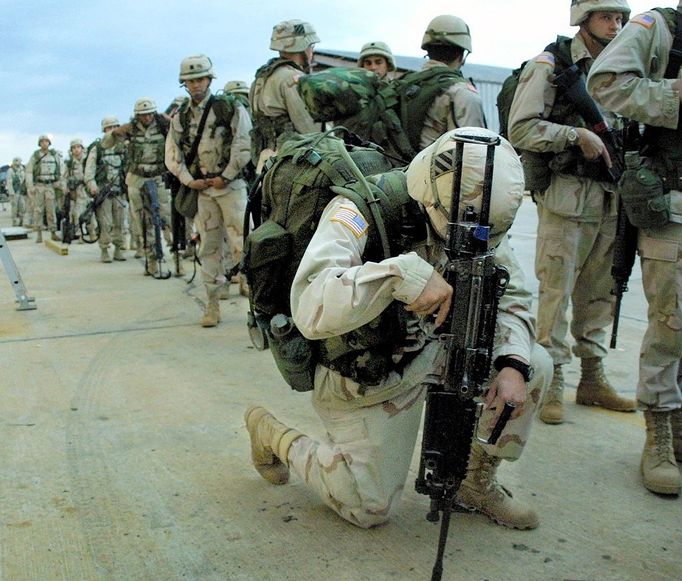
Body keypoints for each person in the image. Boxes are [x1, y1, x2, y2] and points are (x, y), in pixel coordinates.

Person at [244, 127, 552, 530]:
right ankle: (270, 433)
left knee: (534, 365)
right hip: (371, 367)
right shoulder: (357, 210)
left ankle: (474, 482)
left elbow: (512, 296)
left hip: (438, 347)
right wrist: (396, 277)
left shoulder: (482, 214)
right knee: (367, 506)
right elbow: (310, 306)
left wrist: (512, 363)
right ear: (429, 195)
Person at [508, 0, 636, 424]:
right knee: (556, 291)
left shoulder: (624, 65)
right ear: (583, 19)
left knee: (601, 292)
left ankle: (592, 376)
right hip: (567, 196)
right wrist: (574, 134)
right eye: (606, 17)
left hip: (611, 197)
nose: (615, 26)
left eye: (620, 18)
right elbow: (521, 126)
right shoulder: (550, 64)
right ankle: (552, 376)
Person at [587, 2, 682, 496]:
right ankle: (661, 426)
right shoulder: (664, 26)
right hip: (674, 198)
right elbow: (607, 81)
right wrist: (676, 96)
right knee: (672, 321)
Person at [166, 54, 252, 325]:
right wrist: (189, 180)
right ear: (184, 84)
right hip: (203, 192)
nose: (195, 85)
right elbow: (172, 152)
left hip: (231, 187)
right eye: (190, 81)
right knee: (209, 249)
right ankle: (212, 305)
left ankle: (258, 306)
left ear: (210, 79)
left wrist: (226, 175)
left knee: (243, 245)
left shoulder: (229, 107)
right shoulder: (180, 117)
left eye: (200, 79)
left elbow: (244, 143)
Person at [102, 97, 173, 274]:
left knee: (165, 215)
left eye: (150, 114)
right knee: (143, 219)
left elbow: (183, 136)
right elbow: (105, 143)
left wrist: (172, 121)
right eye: (143, 115)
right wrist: (115, 132)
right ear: (137, 115)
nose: (147, 118)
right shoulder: (131, 129)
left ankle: (174, 251)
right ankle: (151, 258)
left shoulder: (164, 125)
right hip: (137, 178)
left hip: (159, 176)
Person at [250, 19, 320, 172]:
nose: (311, 51)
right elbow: (311, 131)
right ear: (303, 47)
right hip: (292, 165)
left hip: (265, 165)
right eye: (311, 46)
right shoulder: (292, 78)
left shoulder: (261, 78)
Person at [417, 15, 486, 149]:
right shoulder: (462, 93)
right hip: (435, 169)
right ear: (461, 55)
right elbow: (474, 153)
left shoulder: (403, 85)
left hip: (399, 169)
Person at [85, 116, 128, 263]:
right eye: (109, 128)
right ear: (104, 130)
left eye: (115, 127)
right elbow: (89, 170)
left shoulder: (123, 147)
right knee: (105, 223)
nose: (112, 130)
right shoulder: (97, 148)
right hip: (104, 192)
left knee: (120, 222)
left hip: (119, 191)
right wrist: (92, 186)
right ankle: (104, 249)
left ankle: (118, 249)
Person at [25, 134, 64, 243]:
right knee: (38, 210)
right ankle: (39, 233)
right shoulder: (35, 156)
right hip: (39, 186)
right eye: (42, 141)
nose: (44, 143)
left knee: (51, 210)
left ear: (49, 143)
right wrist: (30, 186)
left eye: (46, 141)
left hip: (50, 186)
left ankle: (53, 232)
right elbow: (29, 171)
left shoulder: (54, 155)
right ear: (39, 143)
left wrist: (59, 181)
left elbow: (61, 169)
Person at [63, 138, 91, 243]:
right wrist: (66, 190)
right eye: (74, 148)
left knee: (91, 213)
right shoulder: (69, 163)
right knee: (77, 214)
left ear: (82, 148)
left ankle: (92, 233)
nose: (76, 150)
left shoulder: (88, 160)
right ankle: (80, 235)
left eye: (78, 147)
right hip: (76, 191)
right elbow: (64, 177)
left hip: (88, 189)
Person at [6, 157, 27, 227]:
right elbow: (9, 182)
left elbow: (24, 179)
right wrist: (11, 192)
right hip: (14, 192)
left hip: (21, 191)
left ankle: (21, 221)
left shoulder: (22, 169)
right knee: (14, 208)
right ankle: (14, 222)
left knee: (22, 207)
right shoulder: (10, 170)